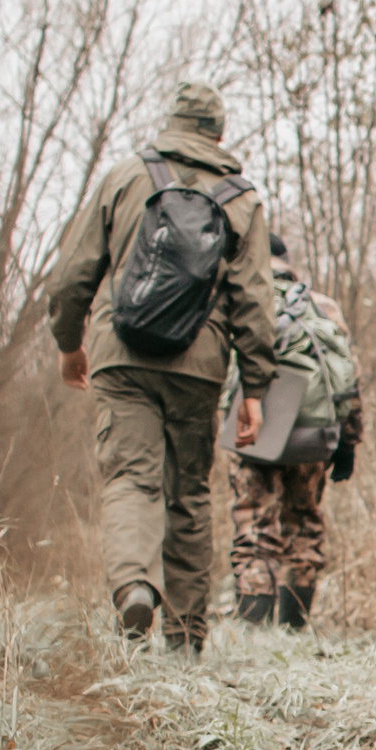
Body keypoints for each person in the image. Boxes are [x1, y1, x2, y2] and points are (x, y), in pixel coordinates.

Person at [47, 81, 278, 654]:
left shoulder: (126, 176)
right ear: (218, 135)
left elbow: (74, 273)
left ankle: (134, 587)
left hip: (121, 353)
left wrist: (69, 342)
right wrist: (256, 387)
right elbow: (255, 300)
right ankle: (185, 637)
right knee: (189, 496)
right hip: (198, 365)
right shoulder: (241, 199)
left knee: (131, 478)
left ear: (170, 123)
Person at [222, 234, 364, 628]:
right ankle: (294, 629)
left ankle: (254, 634)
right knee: (305, 524)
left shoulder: (244, 301)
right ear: (287, 262)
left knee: (254, 527)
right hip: (313, 433)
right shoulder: (321, 306)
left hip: (255, 428)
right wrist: (348, 441)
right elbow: (348, 375)